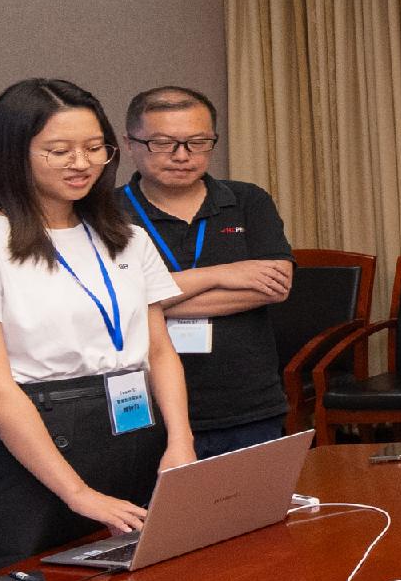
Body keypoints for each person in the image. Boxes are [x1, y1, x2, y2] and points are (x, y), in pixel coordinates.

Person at [0, 77, 194, 567]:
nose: (82, 163)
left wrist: (180, 442)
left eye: (96, 148)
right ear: (14, 154)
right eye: (59, 150)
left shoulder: (127, 239)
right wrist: (77, 493)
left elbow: (159, 350)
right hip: (41, 452)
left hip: (137, 435)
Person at [117, 84, 296, 458]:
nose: (183, 156)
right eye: (164, 143)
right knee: (153, 516)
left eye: (198, 142)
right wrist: (222, 274)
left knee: (254, 514)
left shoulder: (248, 200)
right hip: (143, 410)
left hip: (246, 402)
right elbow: (112, 302)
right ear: (131, 143)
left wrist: (149, 302)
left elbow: (274, 287)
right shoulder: (105, 214)